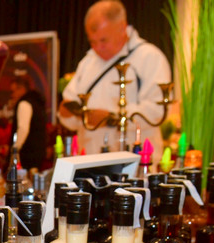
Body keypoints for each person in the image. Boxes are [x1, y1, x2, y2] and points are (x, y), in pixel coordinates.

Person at [58, 0, 171, 155]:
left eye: (103, 40)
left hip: (135, 158)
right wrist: (68, 113)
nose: (98, 48)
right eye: (92, 42)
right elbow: (72, 112)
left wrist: (112, 118)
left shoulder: (149, 57)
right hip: (90, 160)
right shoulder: (87, 62)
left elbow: (157, 111)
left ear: (122, 28)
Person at [6, 73, 47, 171]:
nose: (12, 95)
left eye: (13, 91)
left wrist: (14, 150)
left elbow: (23, 129)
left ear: (21, 89)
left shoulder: (24, 103)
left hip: (26, 155)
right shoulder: (36, 102)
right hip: (37, 153)